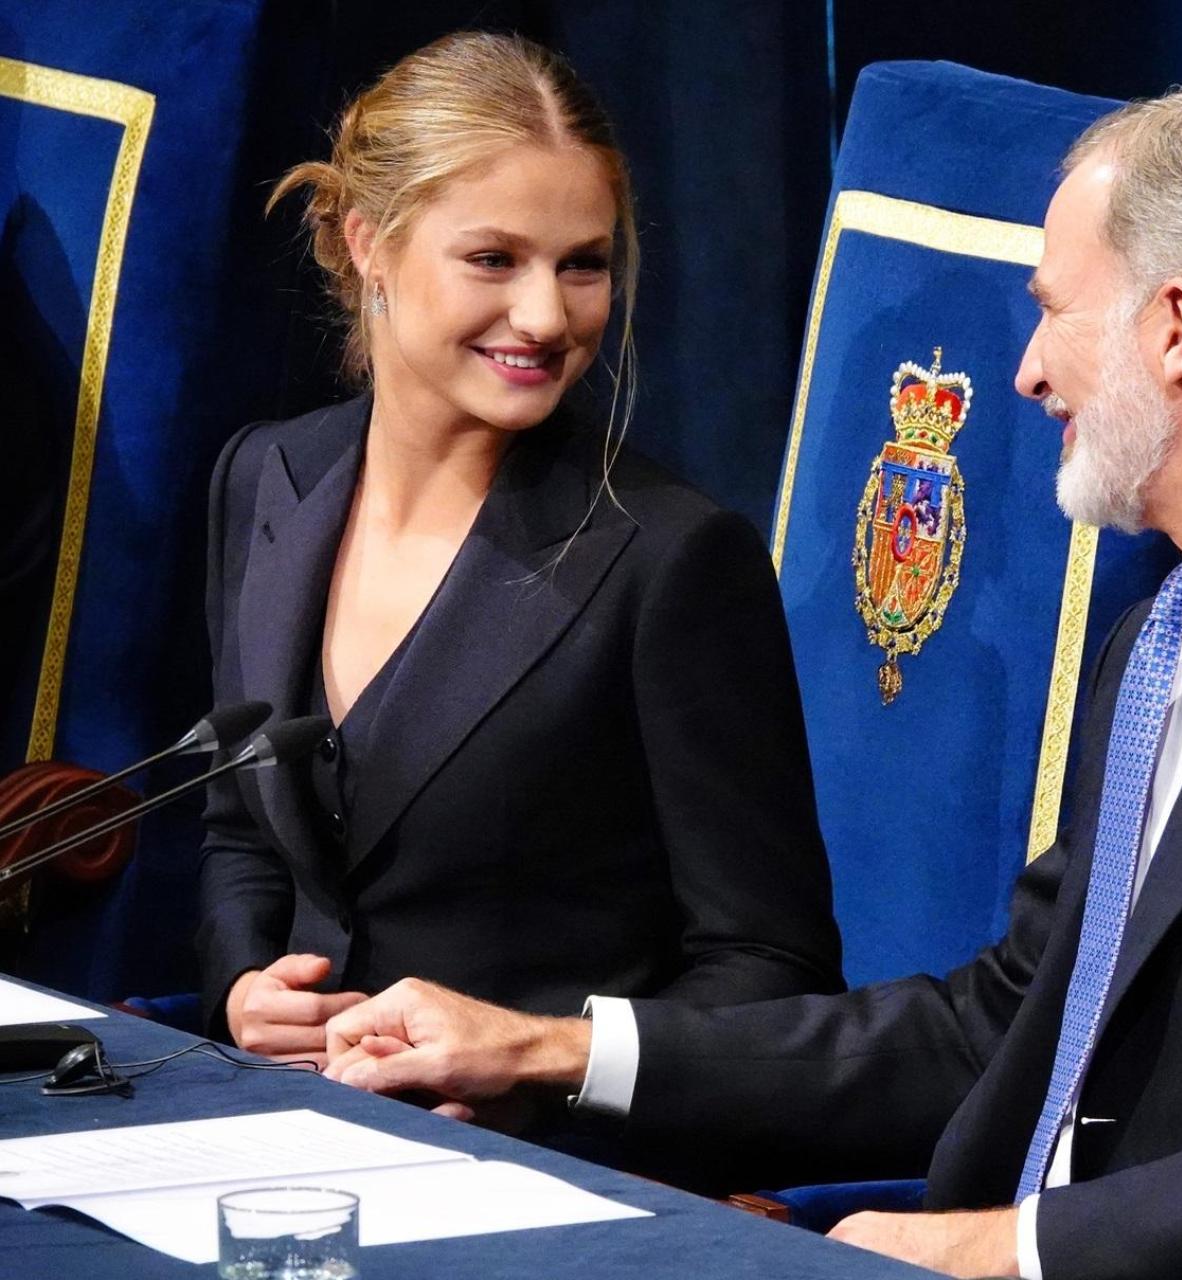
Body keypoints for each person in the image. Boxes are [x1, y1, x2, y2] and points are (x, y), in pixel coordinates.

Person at [323, 81, 1182, 1277]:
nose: (1026, 371)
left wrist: (1016, 1249)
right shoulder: (1167, 630)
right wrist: (549, 1048)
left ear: (1174, 328)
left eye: (1053, 310)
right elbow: (997, 1028)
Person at [197, 32, 843, 1081]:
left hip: (538, 1158)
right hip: (289, 1124)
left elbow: (771, 971)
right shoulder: (264, 476)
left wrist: (537, 1082)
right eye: (494, 259)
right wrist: (244, 986)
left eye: (583, 263)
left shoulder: (673, 559)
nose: (545, 316)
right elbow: (241, 837)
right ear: (368, 244)